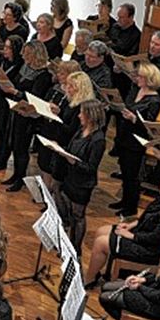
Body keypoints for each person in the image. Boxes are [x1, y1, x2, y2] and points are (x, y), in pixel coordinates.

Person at [85, 171, 160, 285]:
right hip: (141, 233)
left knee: (101, 243)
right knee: (101, 231)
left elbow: (155, 237)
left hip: (149, 249)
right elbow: (146, 217)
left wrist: (131, 235)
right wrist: (130, 225)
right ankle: (95, 272)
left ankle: (89, 279)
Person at [54, 99, 108, 253]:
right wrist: (59, 148)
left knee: (78, 216)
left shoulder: (98, 140)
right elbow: (71, 148)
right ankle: (68, 243)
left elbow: (91, 168)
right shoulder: (81, 130)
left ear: (91, 116)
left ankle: (75, 248)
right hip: (71, 177)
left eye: (82, 113)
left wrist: (73, 161)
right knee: (70, 213)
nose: (79, 116)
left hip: (82, 184)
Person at [110, 62, 160, 217]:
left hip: (136, 142)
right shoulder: (136, 90)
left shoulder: (155, 100)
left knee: (132, 176)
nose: (137, 78)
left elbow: (149, 126)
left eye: (140, 76)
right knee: (124, 172)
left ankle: (131, 206)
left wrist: (134, 119)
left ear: (149, 78)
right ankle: (124, 201)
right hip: (124, 136)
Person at [0, 40, 52, 191]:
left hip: (29, 116)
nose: (23, 56)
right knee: (14, 144)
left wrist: (15, 92)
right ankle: (16, 174)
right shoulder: (25, 66)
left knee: (21, 147)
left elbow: (35, 97)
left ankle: (20, 178)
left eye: (27, 53)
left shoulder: (44, 75)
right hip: (17, 110)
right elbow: (17, 83)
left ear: (36, 55)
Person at [38, 68, 95, 190]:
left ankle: (50, 194)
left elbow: (71, 130)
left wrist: (57, 116)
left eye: (71, 86)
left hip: (66, 144)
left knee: (57, 176)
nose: (67, 88)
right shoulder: (70, 101)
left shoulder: (82, 106)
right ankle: (45, 192)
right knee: (45, 165)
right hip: (57, 137)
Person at [0, 35, 23, 157]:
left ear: (15, 50)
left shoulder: (19, 65)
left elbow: (17, 85)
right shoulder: (4, 61)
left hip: (9, 102)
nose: (4, 50)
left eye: (8, 48)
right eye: (5, 47)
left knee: (5, 133)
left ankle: (2, 159)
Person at [107, 3, 142, 101]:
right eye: (117, 16)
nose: (118, 20)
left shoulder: (136, 35)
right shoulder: (114, 27)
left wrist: (121, 65)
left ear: (131, 17)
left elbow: (131, 56)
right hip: (109, 65)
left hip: (122, 73)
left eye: (121, 17)